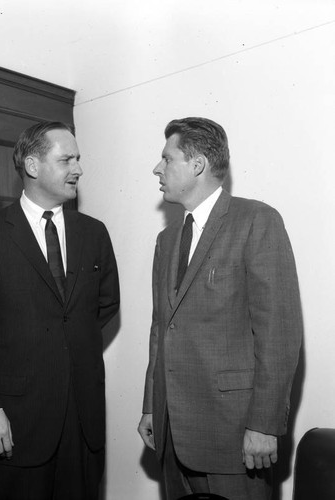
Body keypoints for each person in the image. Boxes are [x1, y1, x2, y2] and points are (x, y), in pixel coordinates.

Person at [0, 121, 120, 500]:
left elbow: (106, 304)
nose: (78, 169)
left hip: (82, 423)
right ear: (32, 165)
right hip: (14, 423)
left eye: (78, 159)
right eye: (66, 160)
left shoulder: (94, 233)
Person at [138, 117, 302, 500]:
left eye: (167, 159)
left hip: (233, 436)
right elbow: (161, 328)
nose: (157, 169)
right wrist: (151, 406)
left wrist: (263, 426)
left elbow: (279, 333)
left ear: (197, 165)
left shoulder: (256, 220)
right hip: (171, 432)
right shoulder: (167, 239)